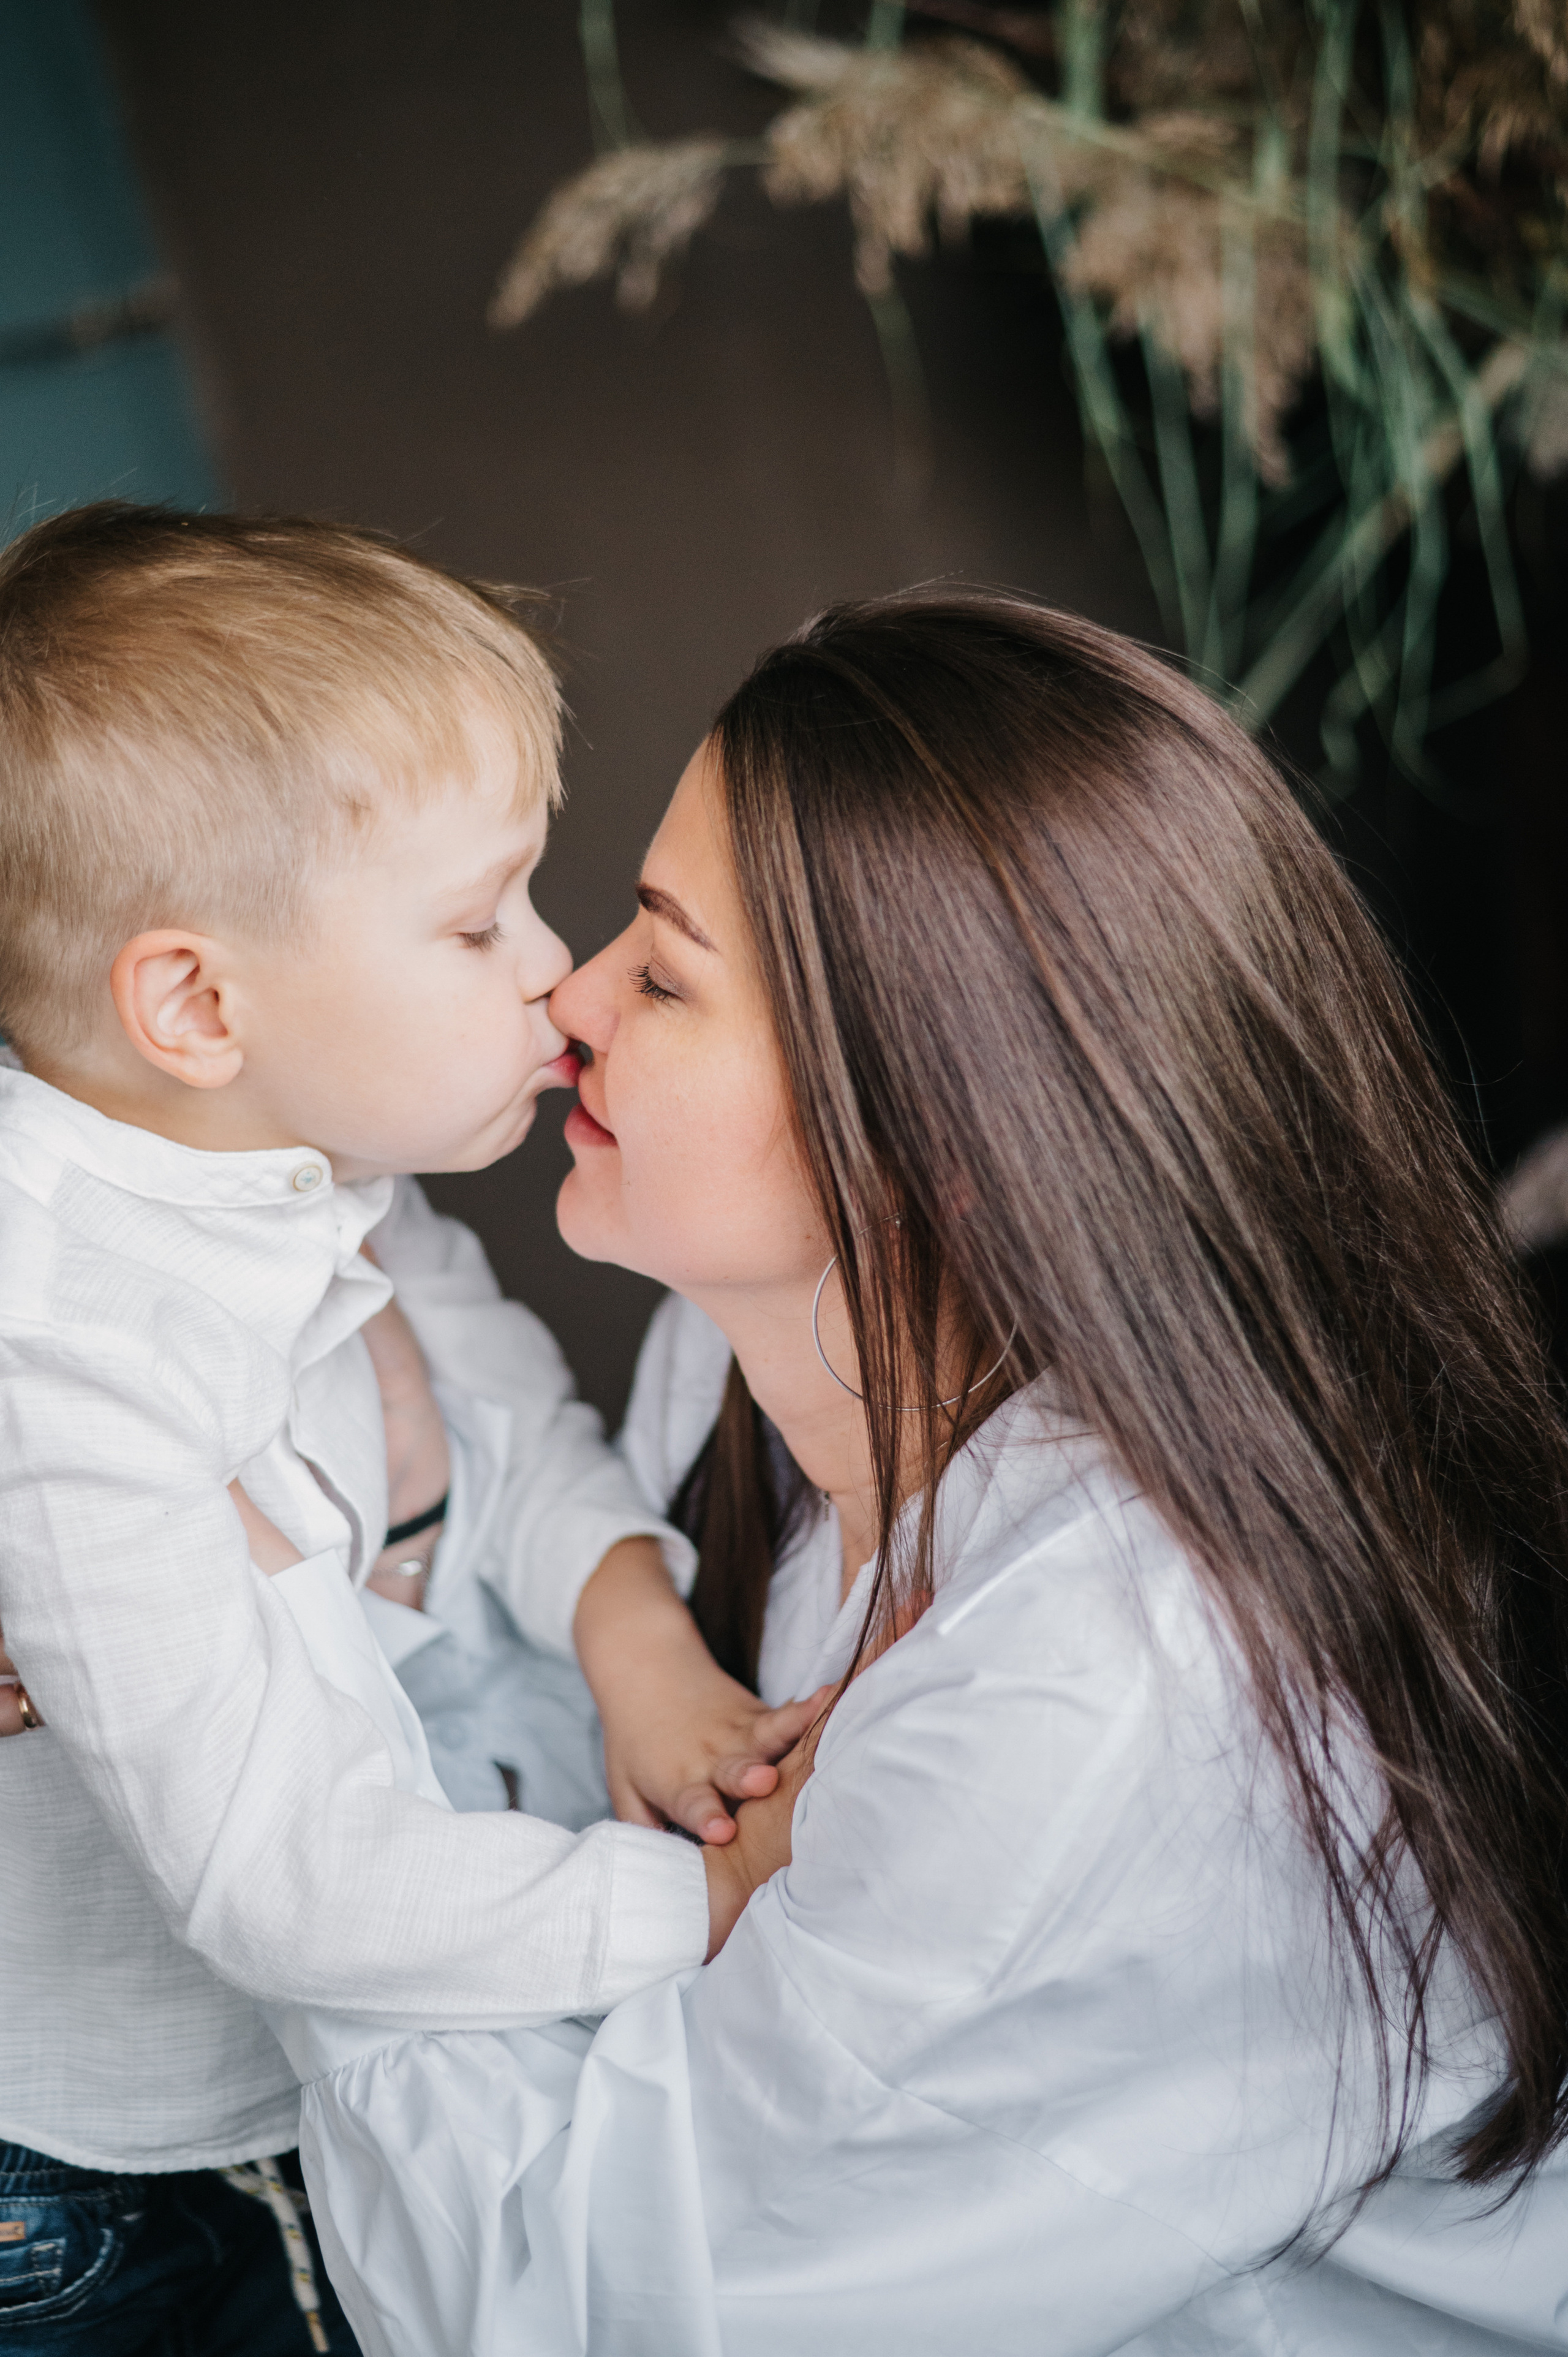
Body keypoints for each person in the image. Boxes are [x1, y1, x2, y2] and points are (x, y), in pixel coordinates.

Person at [294, 590, 1568, 2356]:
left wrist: (247, 1737)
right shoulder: (757, 1362)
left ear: (935, 1149)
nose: (566, 995)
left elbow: (565, 2304)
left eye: (661, 971)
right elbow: (604, 1848)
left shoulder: (1105, 1695)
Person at [0, 507, 820, 2353]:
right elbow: (278, 1879)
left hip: (305, 2066)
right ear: (198, 1003)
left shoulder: (308, 1169)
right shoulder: (57, 1357)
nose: (556, 968)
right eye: (477, 924)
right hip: (123, 2179)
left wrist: (641, 1651)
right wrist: (695, 1897)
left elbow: (505, 1416)